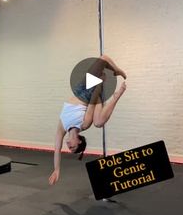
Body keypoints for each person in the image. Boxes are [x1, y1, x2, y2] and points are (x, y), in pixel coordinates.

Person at [49, 55, 127, 185]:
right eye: (73, 148)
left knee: (103, 60)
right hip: (92, 95)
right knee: (98, 123)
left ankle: (114, 71)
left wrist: (57, 169)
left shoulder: (62, 128)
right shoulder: (84, 124)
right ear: (79, 140)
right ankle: (116, 95)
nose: (69, 147)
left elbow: (57, 150)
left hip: (81, 90)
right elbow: (92, 102)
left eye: (69, 148)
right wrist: (99, 84)